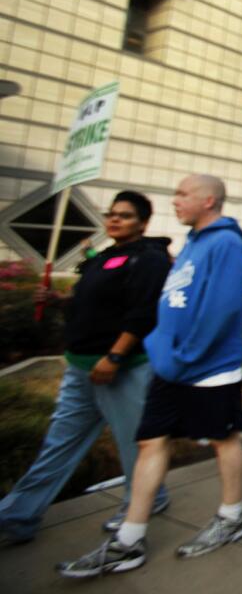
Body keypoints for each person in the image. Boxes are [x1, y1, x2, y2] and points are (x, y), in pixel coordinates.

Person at [58, 175, 242, 577]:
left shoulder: (226, 242)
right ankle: (129, 540)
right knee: (150, 441)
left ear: (209, 200)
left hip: (209, 369)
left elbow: (222, 309)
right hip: (171, 365)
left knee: (223, 437)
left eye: (183, 194)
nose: (175, 200)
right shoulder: (193, 242)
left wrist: (185, 356)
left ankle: (232, 517)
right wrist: (164, 349)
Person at [0, 192, 171, 545]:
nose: (115, 220)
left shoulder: (150, 260)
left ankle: (147, 499)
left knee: (134, 444)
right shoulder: (104, 256)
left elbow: (143, 314)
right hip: (79, 368)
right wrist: (58, 301)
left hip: (122, 369)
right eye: (111, 214)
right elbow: (88, 303)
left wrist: (115, 357)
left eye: (124, 215)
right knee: (59, 444)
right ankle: (17, 516)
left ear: (143, 222)